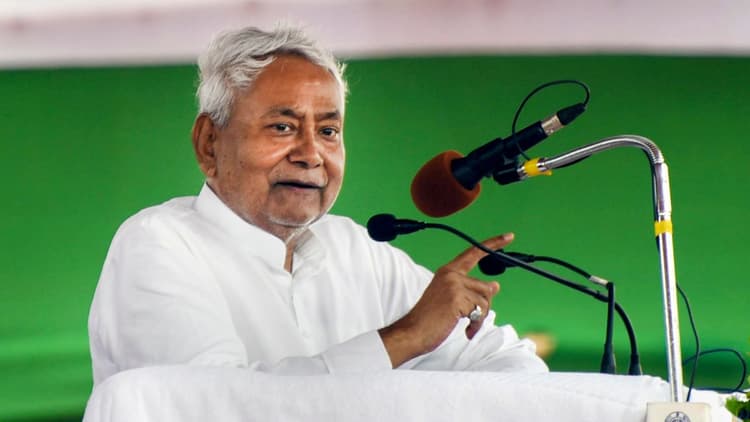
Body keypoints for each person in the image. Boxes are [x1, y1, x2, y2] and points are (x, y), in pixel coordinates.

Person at [88, 24, 548, 386]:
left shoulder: (356, 250)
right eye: (283, 127)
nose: (311, 154)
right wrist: (405, 338)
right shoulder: (158, 244)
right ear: (209, 143)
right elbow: (217, 404)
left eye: (328, 131)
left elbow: (513, 366)